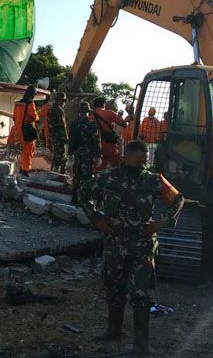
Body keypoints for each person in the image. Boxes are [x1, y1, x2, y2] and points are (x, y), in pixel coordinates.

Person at [79, 140, 185, 355]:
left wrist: (161, 222)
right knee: (114, 287)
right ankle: (113, 329)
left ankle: (141, 342)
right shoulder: (108, 178)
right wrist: (96, 217)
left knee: (141, 293)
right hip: (115, 243)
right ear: (125, 158)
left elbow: (178, 199)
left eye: (144, 162)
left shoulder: (154, 180)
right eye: (138, 162)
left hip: (142, 245)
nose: (142, 166)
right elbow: (83, 192)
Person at [68, 102, 101, 203]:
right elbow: (96, 140)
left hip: (77, 152)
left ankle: (74, 198)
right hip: (88, 152)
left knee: (77, 174)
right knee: (86, 176)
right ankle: (84, 199)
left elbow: (71, 139)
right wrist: (98, 155)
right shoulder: (91, 124)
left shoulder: (74, 123)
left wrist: (70, 153)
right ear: (88, 112)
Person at [7, 86, 39, 177]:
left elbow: (14, 117)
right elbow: (34, 116)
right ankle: (25, 171)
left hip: (17, 130)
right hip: (27, 130)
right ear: (32, 95)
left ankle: (21, 168)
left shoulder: (18, 103)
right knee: (28, 151)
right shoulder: (30, 103)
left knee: (21, 150)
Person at [89, 97, 128, 170]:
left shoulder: (90, 117)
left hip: (96, 146)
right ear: (104, 104)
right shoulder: (109, 113)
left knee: (98, 167)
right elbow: (124, 124)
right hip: (109, 145)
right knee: (118, 166)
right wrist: (128, 118)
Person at [48, 92, 69, 173]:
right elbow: (62, 125)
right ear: (60, 101)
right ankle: (59, 174)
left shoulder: (51, 109)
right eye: (63, 101)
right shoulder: (59, 110)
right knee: (61, 156)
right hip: (59, 137)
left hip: (53, 136)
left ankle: (54, 172)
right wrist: (66, 138)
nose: (64, 103)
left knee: (55, 155)